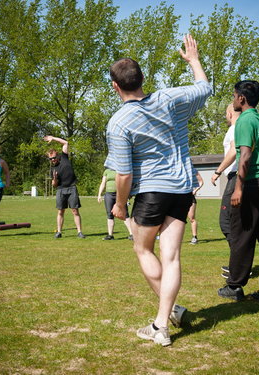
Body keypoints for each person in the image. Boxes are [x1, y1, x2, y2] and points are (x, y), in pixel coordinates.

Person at [105, 34, 211, 346]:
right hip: (182, 188)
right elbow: (204, 88)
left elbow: (123, 174)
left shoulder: (119, 123)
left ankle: (161, 323)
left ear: (115, 86)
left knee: (142, 249)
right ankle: (167, 318)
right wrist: (193, 61)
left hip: (151, 192)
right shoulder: (168, 99)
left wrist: (121, 206)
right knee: (173, 257)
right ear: (142, 79)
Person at [217, 80, 259, 305]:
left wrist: (238, 188)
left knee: (242, 235)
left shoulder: (245, 120)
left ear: (241, 99)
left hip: (253, 184)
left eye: (234, 96)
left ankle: (234, 286)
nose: (234, 99)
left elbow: (244, 155)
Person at [211, 104, 241, 276]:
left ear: (230, 113)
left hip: (235, 178)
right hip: (238, 178)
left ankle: (238, 266)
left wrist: (217, 171)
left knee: (226, 223)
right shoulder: (243, 127)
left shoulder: (234, 129)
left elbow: (233, 151)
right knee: (237, 224)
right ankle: (239, 265)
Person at [44, 136, 85, 239]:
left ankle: (79, 232)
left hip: (71, 188)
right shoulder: (52, 169)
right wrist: (54, 179)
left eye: (53, 158)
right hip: (61, 190)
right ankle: (59, 232)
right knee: (60, 211)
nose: (52, 160)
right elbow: (54, 185)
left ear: (57, 155)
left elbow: (65, 143)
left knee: (75, 210)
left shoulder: (64, 157)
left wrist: (52, 138)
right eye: (50, 159)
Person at [97, 168, 133, 240]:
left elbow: (125, 181)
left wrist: (127, 194)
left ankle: (132, 234)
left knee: (125, 214)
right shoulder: (106, 171)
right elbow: (103, 182)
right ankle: (110, 235)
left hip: (119, 194)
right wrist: (99, 194)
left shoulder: (120, 169)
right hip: (109, 195)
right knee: (109, 214)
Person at [188, 171, 204, 244]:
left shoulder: (193, 171)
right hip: (178, 197)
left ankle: (194, 237)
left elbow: (201, 182)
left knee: (192, 218)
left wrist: (195, 190)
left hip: (190, 197)